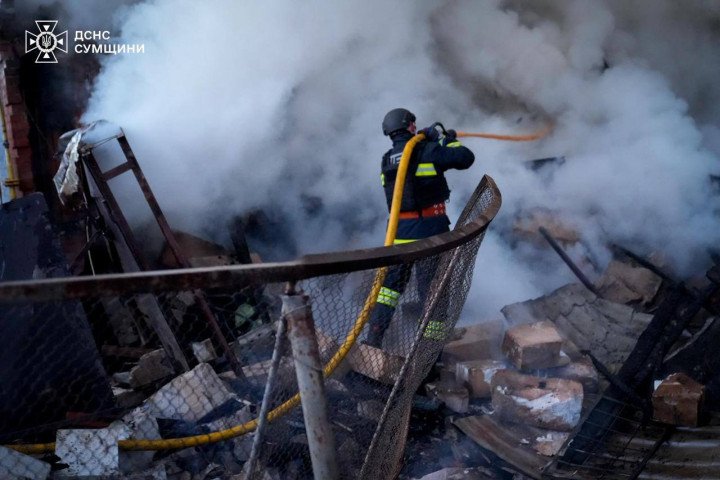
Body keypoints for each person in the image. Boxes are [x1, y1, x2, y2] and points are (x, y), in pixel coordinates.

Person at [365, 108, 475, 348]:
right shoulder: (428, 149)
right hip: (430, 233)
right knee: (434, 293)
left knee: (389, 291)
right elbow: (466, 158)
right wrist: (445, 139)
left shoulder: (386, 159)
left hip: (399, 234)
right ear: (412, 127)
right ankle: (430, 352)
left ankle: (372, 341)